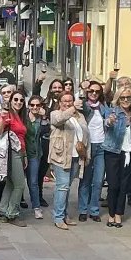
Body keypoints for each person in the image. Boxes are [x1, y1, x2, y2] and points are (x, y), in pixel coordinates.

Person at [48, 92, 89, 230]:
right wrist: (72, 109)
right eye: (64, 101)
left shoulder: (80, 116)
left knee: (67, 187)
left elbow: (85, 132)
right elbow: (58, 120)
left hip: (76, 156)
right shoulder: (55, 113)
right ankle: (58, 217)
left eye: (70, 101)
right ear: (59, 102)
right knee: (62, 186)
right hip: (61, 156)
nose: (67, 103)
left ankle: (64, 215)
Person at [102, 88, 131, 228]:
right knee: (113, 184)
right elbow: (107, 123)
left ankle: (118, 214)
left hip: (129, 153)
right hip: (113, 151)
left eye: (128, 97)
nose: (126, 100)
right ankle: (111, 213)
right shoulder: (113, 111)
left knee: (124, 185)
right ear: (118, 99)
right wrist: (109, 121)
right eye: (122, 98)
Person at [0, 91, 28, 226]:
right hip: (11, 152)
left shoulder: (20, 116)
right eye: (16, 99)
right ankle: (12, 214)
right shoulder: (7, 114)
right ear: (11, 100)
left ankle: (3, 211)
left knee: (11, 183)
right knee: (20, 185)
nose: (18, 102)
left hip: (19, 151)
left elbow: (22, 138)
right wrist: (2, 119)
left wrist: (24, 156)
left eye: (21, 100)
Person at [77, 80, 108, 222]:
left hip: (101, 146)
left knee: (98, 180)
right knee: (85, 179)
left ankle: (94, 209)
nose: (94, 93)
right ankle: (83, 209)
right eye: (91, 91)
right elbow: (80, 105)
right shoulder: (84, 107)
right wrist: (83, 91)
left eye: (97, 91)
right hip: (87, 146)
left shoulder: (103, 107)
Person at [26, 95, 49, 219]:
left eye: (37, 105)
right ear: (28, 106)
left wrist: (44, 116)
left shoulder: (41, 120)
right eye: (32, 105)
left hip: (35, 154)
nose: (35, 107)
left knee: (33, 181)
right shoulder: (24, 118)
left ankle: (36, 206)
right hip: (23, 152)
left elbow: (46, 131)